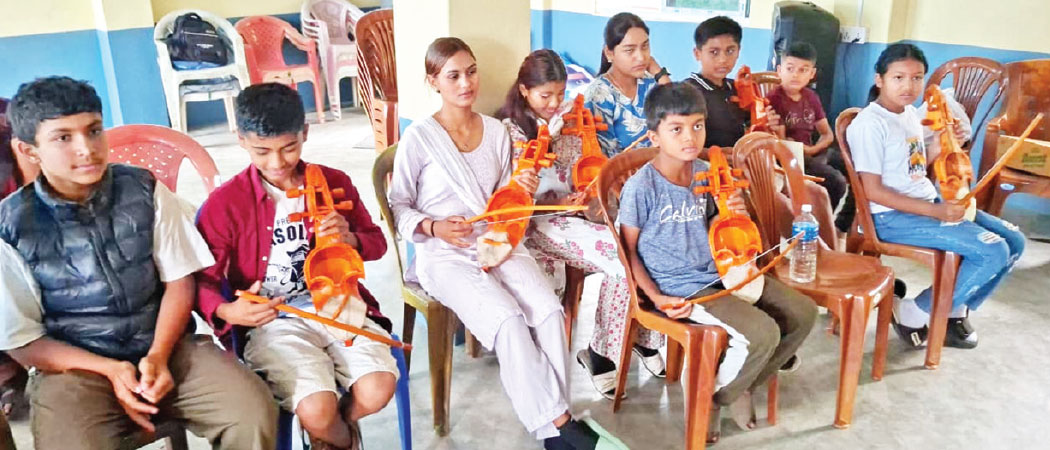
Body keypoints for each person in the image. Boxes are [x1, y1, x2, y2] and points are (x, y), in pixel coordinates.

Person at [0, 76, 276, 449]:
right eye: (63, 138)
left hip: (166, 345)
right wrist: (111, 370)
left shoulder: (143, 189)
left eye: (94, 130)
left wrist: (158, 356)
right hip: (74, 368)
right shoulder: (12, 225)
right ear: (29, 150)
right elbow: (22, 340)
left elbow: (180, 281)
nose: (87, 148)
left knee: (251, 411)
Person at [388, 37, 622, 450]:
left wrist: (521, 187)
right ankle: (560, 425)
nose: (466, 83)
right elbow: (399, 206)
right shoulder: (419, 139)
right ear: (433, 81)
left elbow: (503, 202)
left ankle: (553, 425)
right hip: (442, 254)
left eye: (471, 71)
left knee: (550, 312)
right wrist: (434, 227)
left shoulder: (495, 131)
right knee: (509, 320)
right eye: (453, 75)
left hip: (495, 238)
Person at [194, 83, 396, 449]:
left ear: (305, 133)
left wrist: (349, 238)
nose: (277, 162)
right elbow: (200, 281)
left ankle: (326, 436)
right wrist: (228, 310)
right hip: (274, 320)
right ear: (240, 139)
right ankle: (334, 435)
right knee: (317, 408)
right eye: (262, 151)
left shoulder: (333, 182)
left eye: (289, 147)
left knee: (378, 388)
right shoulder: (224, 205)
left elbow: (377, 243)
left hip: (339, 306)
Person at [618, 81, 816, 440]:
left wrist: (728, 212)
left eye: (697, 125)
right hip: (682, 288)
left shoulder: (706, 169)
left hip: (724, 270)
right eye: (676, 129)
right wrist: (655, 297)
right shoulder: (640, 187)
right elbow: (627, 251)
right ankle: (712, 398)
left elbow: (711, 222)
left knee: (803, 313)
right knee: (762, 333)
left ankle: (739, 386)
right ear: (654, 137)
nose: (689, 137)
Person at [496, 49, 666, 400]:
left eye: (560, 94)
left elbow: (581, 179)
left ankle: (643, 339)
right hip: (535, 223)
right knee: (622, 262)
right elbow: (516, 200)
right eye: (546, 95)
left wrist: (593, 197)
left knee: (644, 247)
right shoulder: (509, 131)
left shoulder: (571, 120)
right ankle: (601, 353)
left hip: (571, 218)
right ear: (525, 90)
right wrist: (561, 203)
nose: (555, 103)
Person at [847, 43, 1025, 349]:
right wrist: (936, 213)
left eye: (917, 78)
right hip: (889, 218)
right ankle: (912, 312)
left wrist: (941, 146)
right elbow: (872, 191)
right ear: (880, 79)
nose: (908, 86)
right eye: (898, 77)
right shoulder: (869, 124)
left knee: (1016, 242)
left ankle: (955, 307)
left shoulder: (909, 115)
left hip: (926, 205)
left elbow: (915, 166)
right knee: (992, 252)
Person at [767, 41, 847, 211]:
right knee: (836, 182)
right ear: (779, 70)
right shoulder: (773, 99)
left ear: (812, 73)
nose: (795, 75)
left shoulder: (811, 97)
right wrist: (807, 151)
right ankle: (820, 223)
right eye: (790, 68)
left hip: (812, 151)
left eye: (803, 70)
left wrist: (813, 149)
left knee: (855, 166)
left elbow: (827, 134)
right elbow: (778, 141)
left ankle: (842, 225)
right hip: (792, 156)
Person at [583, 12, 671, 157]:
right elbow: (606, 159)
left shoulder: (650, 82)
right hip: (624, 176)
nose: (641, 57)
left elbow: (678, 114)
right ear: (609, 53)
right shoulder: (600, 95)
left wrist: (659, 73)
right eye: (630, 50)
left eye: (645, 47)